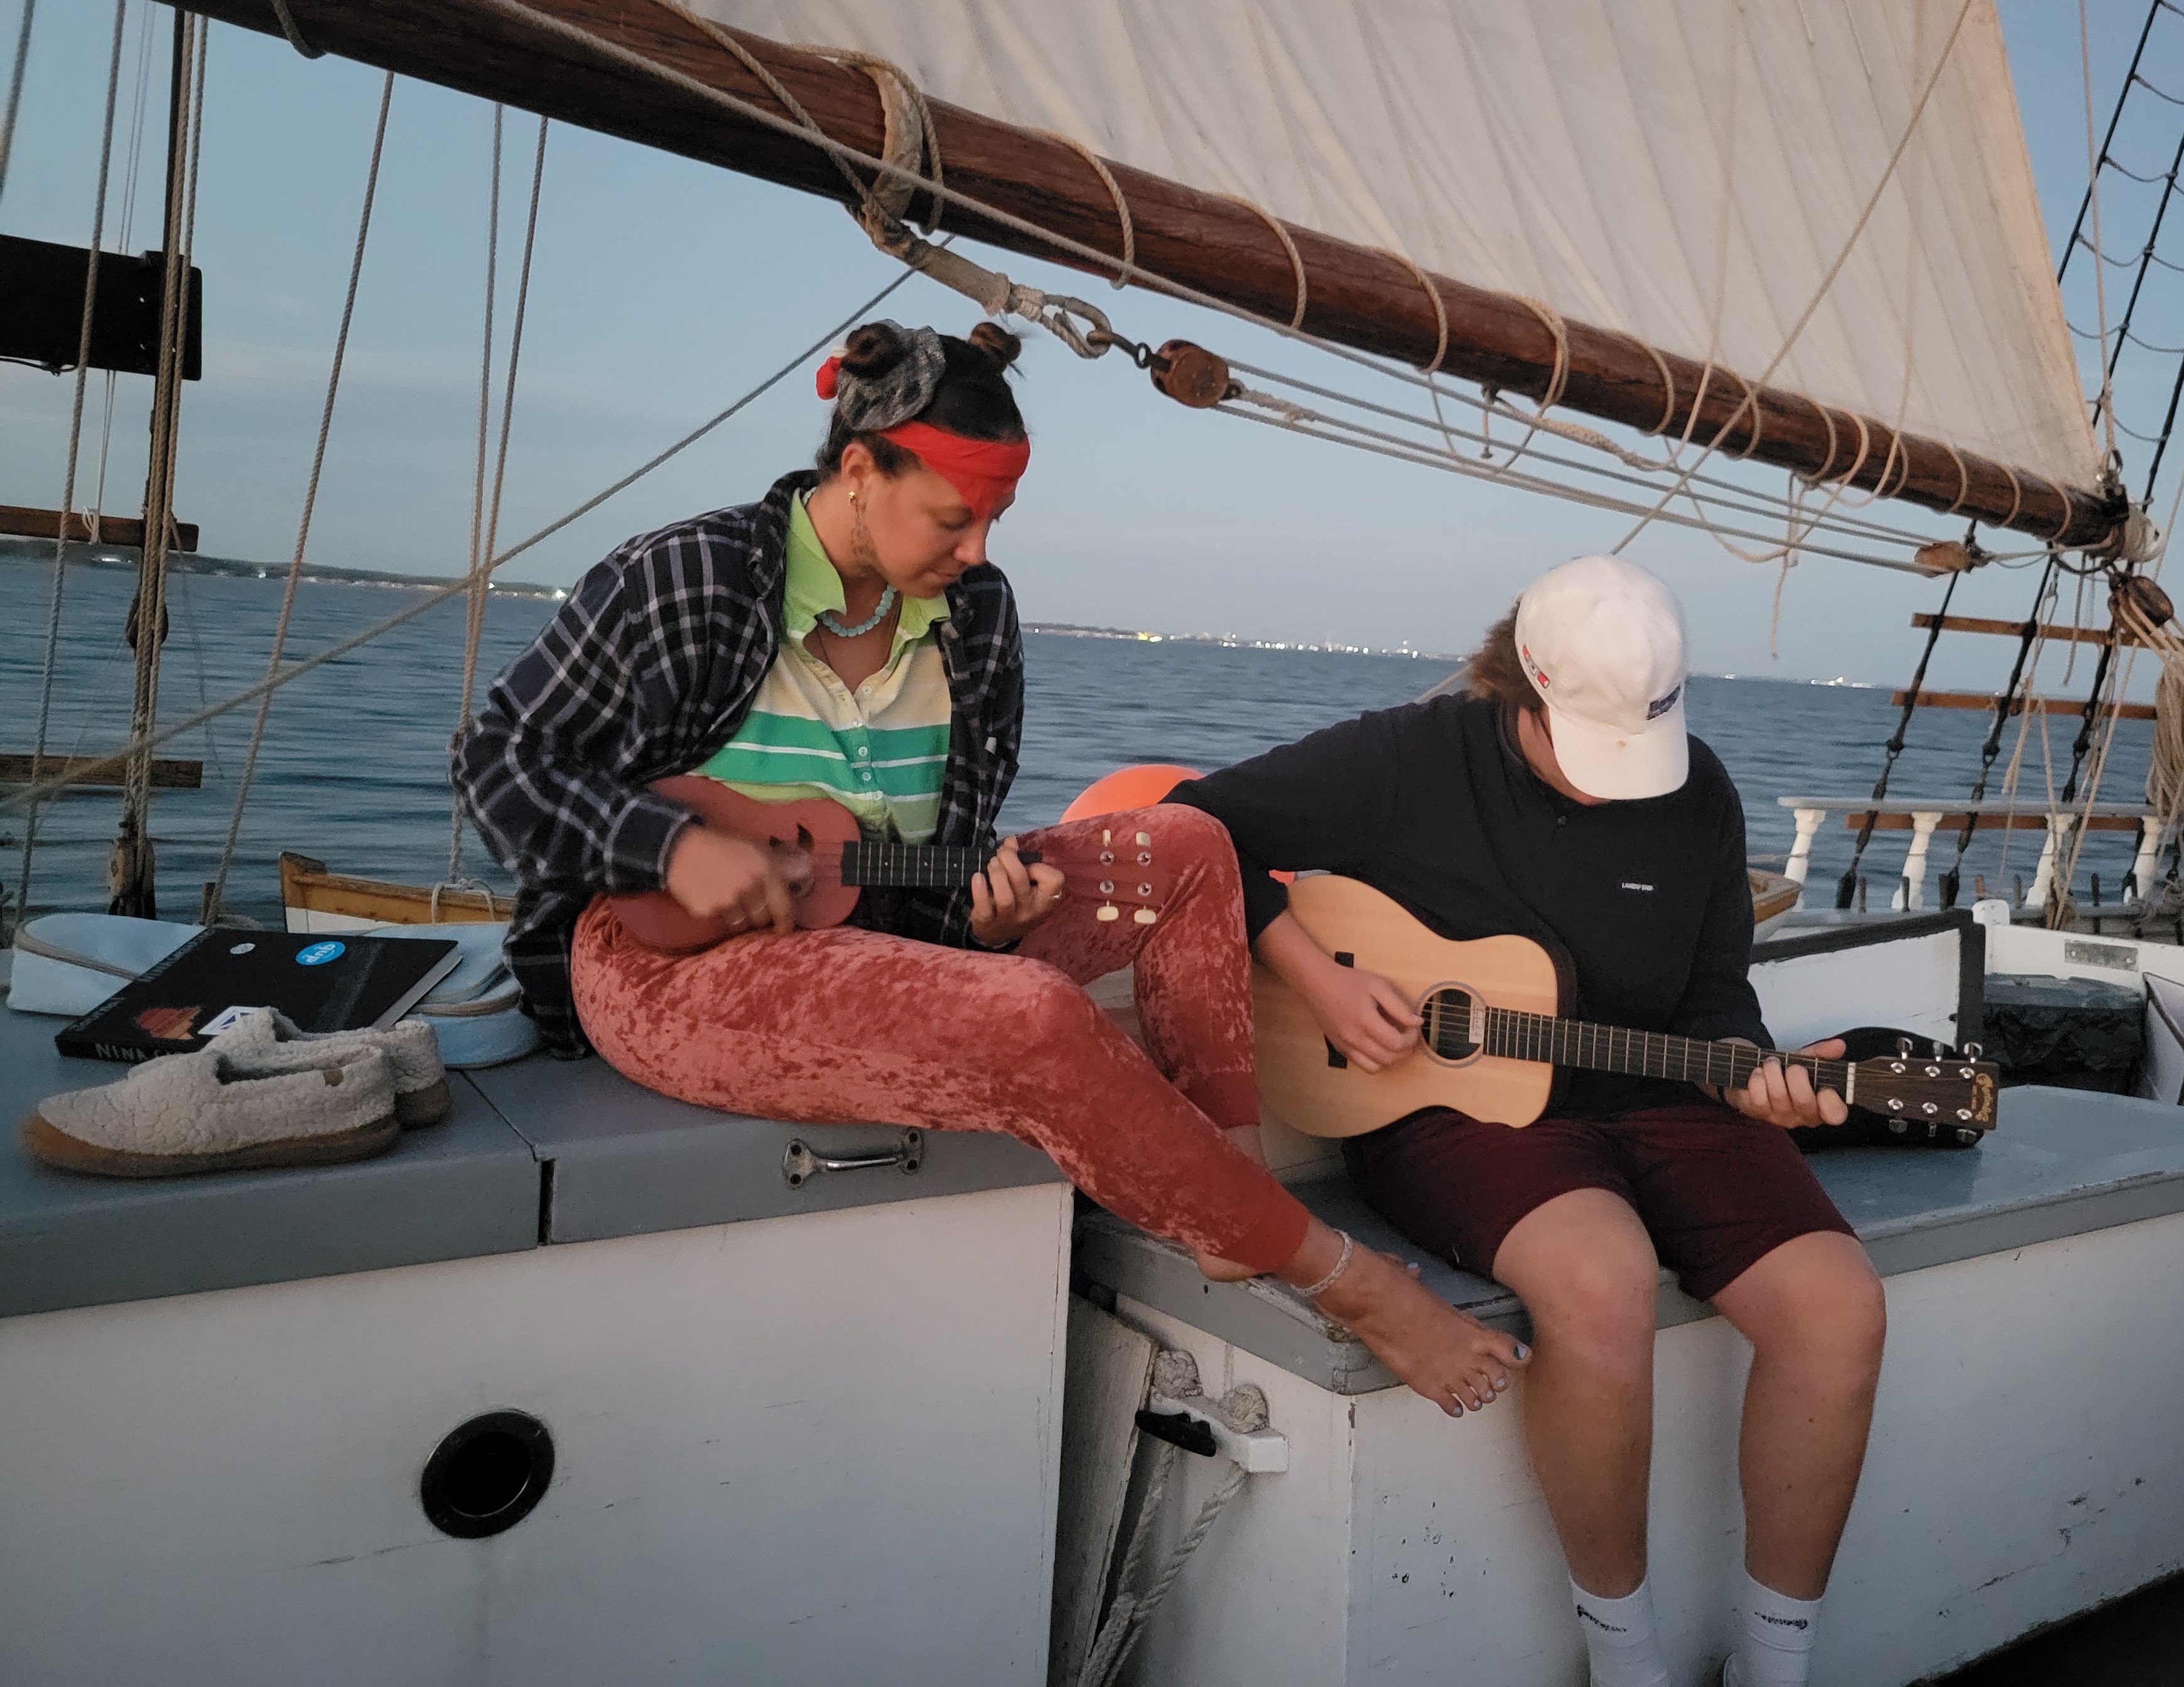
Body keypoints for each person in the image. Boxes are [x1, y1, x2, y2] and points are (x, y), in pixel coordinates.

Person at [451, 318, 1523, 1416]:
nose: (976, 552)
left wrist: (984, 919)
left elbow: (927, 877)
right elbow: (495, 762)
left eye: (995, 521)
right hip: (664, 968)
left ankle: (1232, 1213)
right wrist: (670, 847)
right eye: (955, 518)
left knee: (1192, 844)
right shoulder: (690, 578)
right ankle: (1344, 1279)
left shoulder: (976, 615)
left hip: (881, 935)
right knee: (1039, 1016)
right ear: (860, 471)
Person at [1169, 555, 1886, 1687]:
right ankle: (1627, 1659)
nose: (1618, 786)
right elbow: (1192, 829)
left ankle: (1775, 1663)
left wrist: (1753, 1074)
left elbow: (1713, 1002)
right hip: (1451, 1106)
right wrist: (1317, 977)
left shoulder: (1698, 789)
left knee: (1840, 1308)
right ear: (1524, 689)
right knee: (1600, 1280)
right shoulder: (1409, 756)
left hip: (1659, 1092)